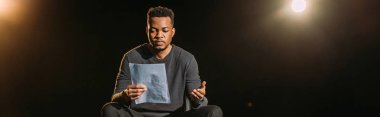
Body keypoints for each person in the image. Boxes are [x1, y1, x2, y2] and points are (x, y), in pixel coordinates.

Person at [101, 6, 223, 117]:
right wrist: (125, 95)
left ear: (172, 32)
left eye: (165, 30)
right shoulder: (131, 57)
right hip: (139, 115)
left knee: (214, 111)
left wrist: (198, 98)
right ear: (147, 31)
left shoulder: (186, 59)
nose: (159, 35)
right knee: (109, 109)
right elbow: (115, 98)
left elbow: (198, 103)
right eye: (154, 30)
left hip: (174, 115)